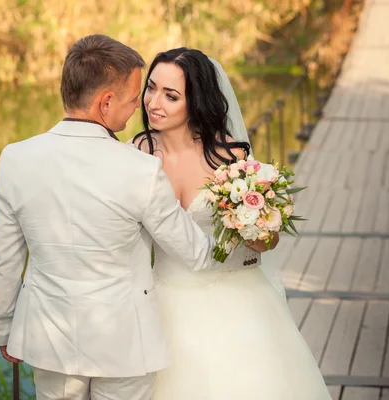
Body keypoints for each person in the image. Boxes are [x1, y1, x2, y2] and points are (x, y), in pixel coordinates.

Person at [0, 35, 256, 400]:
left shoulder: (15, 159)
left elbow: (2, 262)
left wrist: (4, 329)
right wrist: (252, 244)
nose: (138, 108)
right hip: (127, 345)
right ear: (106, 102)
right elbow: (198, 255)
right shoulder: (141, 169)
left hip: (48, 341)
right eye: (133, 99)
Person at [131, 48, 332, 399]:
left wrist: (258, 228)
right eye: (151, 88)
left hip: (235, 297)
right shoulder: (138, 152)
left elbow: (268, 242)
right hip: (160, 301)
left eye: (171, 95)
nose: (154, 102)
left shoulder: (232, 157)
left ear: (196, 101)